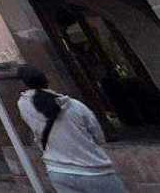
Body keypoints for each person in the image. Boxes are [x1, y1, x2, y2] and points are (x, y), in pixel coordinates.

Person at [17, 65, 125, 193]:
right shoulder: (75, 106)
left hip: (58, 171)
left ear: (24, 84)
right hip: (94, 169)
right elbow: (98, 135)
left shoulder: (24, 106)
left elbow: (29, 98)